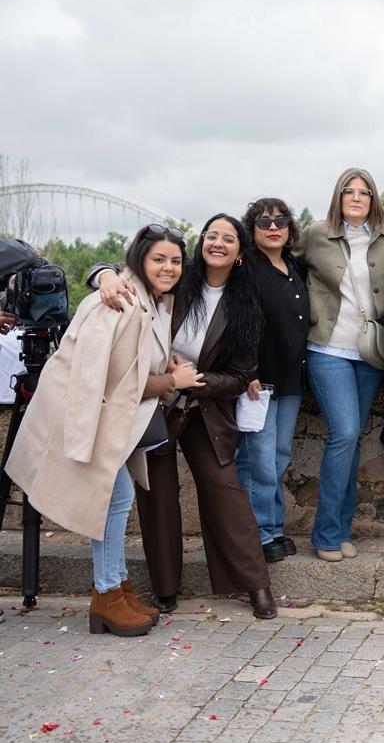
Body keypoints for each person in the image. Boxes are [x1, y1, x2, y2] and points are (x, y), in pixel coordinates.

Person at [6, 224, 197, 635]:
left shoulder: (150, 299)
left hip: (109, 420)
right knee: (112, 501)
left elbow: (132, 364)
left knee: (115, 501)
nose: (168, 267)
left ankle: (114, 589)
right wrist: (170, 384)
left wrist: (164, 367)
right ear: (139, 261)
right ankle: (107, 595)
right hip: (89, 418)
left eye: (175, 260)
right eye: (159, 259)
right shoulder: (119, 302)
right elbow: (106, 380)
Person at [94, 215, 277, 618]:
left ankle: (256, 585)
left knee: (223, 488)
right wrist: (103, 273)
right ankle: (165, 588)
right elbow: (134, 272)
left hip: (204, 408)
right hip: (152, 405)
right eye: (211, 235)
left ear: (241, 253)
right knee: (156, 493)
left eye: (229, 239)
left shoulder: (246, 303)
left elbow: (241, 374)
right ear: (201, 243)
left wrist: (193, 380)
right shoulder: (178, 277)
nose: (218, 243)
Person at [294, 168, 384, 562]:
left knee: (355, 437)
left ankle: (341, 530)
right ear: (338, 196)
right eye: (349, 191)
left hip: (372, 352)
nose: (357, 198)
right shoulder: (314, 233)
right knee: (343, 433)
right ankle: (325, 534)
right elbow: (278, 264)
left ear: (374, 199)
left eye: (365, 192)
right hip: (327, 347)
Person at [236, 198, 310, 563]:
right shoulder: (245, 266)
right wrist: (247, 371)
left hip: (291, 377)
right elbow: (235, 321)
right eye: (264, 222)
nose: (273, 227)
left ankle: (274, 527)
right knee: (258, 460)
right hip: (257, 382)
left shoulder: (293, 266)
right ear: (252, 230)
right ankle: (259, 532)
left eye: (280, 221)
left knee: (279, 457)